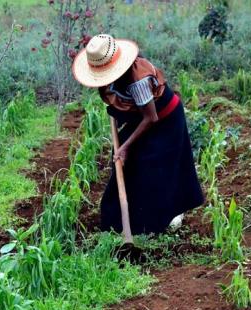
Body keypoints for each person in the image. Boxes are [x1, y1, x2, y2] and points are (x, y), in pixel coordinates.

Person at [71, 34, 204, 234]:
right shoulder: (113, 72)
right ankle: (117, 222)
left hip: (165, 120)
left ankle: (162, 220)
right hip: (141, 118)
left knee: (155, 167)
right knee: (126, 164)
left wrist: (125, 146)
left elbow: (151, 118)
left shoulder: (138, 81)